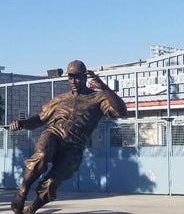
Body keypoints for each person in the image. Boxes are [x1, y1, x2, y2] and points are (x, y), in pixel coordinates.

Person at [9, 60, 127, 214]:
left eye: (77, 77)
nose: (73, 81)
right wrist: (22, 123)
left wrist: (105, 88)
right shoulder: (61, 99)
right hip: (54, 135)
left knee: (52, 182)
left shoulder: (99, 98)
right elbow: (40, 119)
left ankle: (32, 209)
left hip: (74, 146)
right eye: (70, 78)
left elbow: (121, 111)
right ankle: (22, 191)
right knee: (41, 155)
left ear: (85, 77)